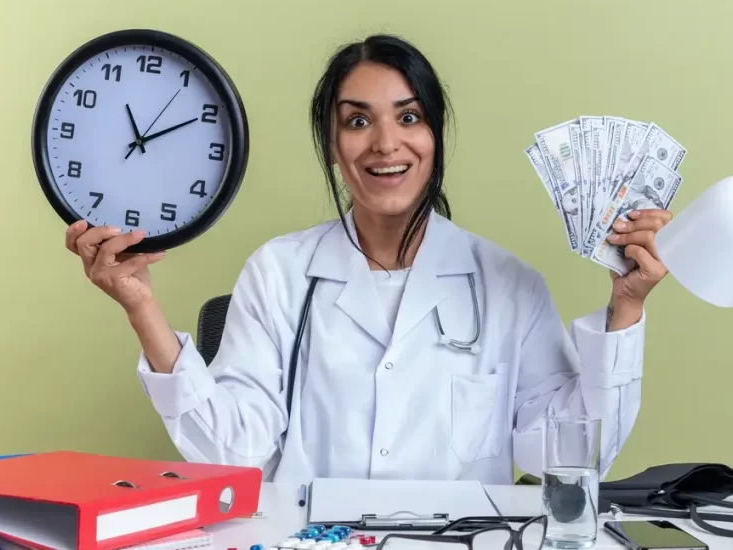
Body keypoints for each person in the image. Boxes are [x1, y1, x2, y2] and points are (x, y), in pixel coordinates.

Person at [64, 34, 671, 485]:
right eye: (358, 121)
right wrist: (140, 304)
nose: (386, 143)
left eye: (409, 117)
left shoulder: (508, 285)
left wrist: (626, 305)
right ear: (333, 146)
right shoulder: (279, 272)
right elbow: (232, 450)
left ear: (434, 137)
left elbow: (572, 457)